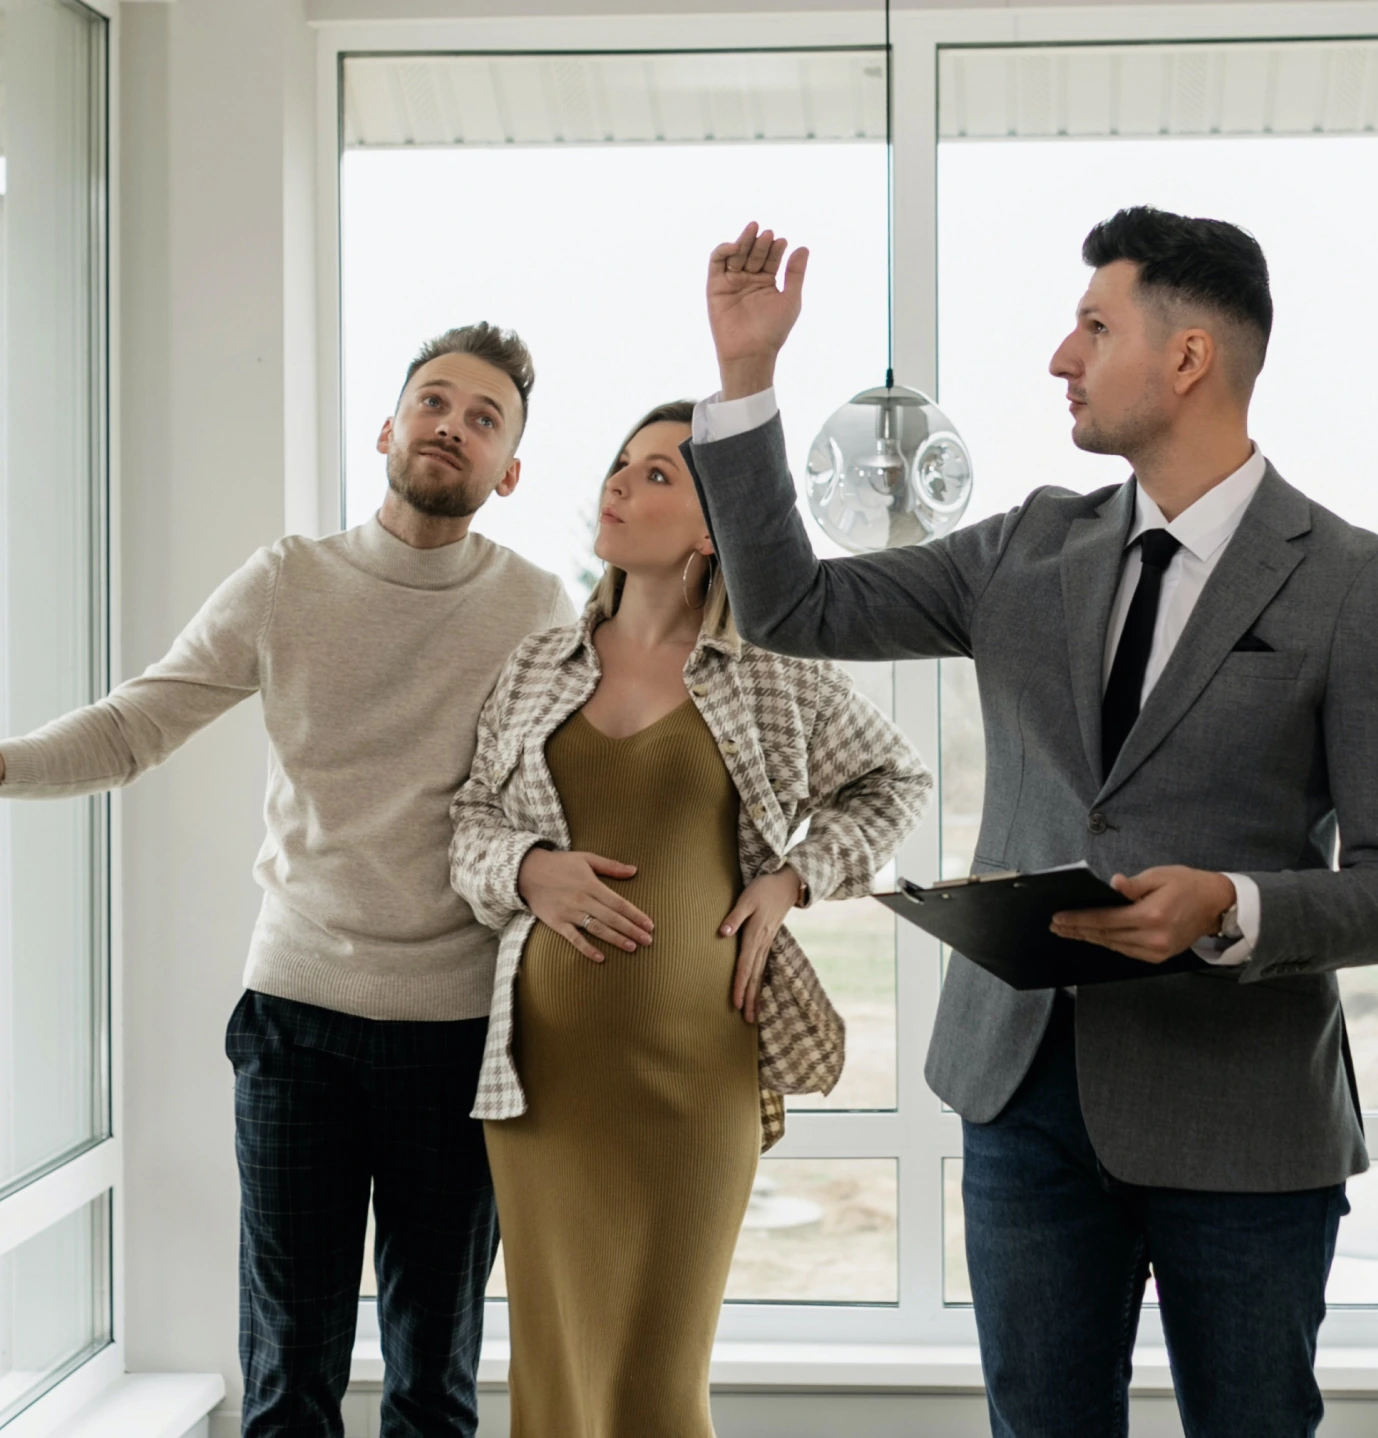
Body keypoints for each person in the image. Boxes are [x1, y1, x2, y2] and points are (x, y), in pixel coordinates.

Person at [684, 212, 1376, 1437]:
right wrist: (746, 381)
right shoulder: (1026, 548)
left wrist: (1235, 904)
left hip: (1244, 1118)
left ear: (1188, 357)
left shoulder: (1349, 585)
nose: (1062, 356)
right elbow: (789, 602)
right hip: (1022, 1103)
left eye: (1094, 326)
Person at [0, 323, 574, 1437]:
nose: (451, 423)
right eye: (433, 400)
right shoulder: (289, 580)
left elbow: (578, 780)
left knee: (431, 1377)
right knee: (289, 1373)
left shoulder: (535, 607)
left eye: (483, 416)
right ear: (386, 427)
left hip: (459, 1033)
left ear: (508, 470)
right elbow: (134, 725)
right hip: (296, 1024)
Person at [448, 398, 930, 1437]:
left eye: (657, 473)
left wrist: (793, 880)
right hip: (542, 1081)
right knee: (554, 1382)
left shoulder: (770, 670)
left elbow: (896, 779)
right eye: (621, 464)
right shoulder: (536, 665)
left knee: (659, 1387)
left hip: (697, 1077)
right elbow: (470, 822)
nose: (620, 483)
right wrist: (528, 869)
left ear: (715, 527)